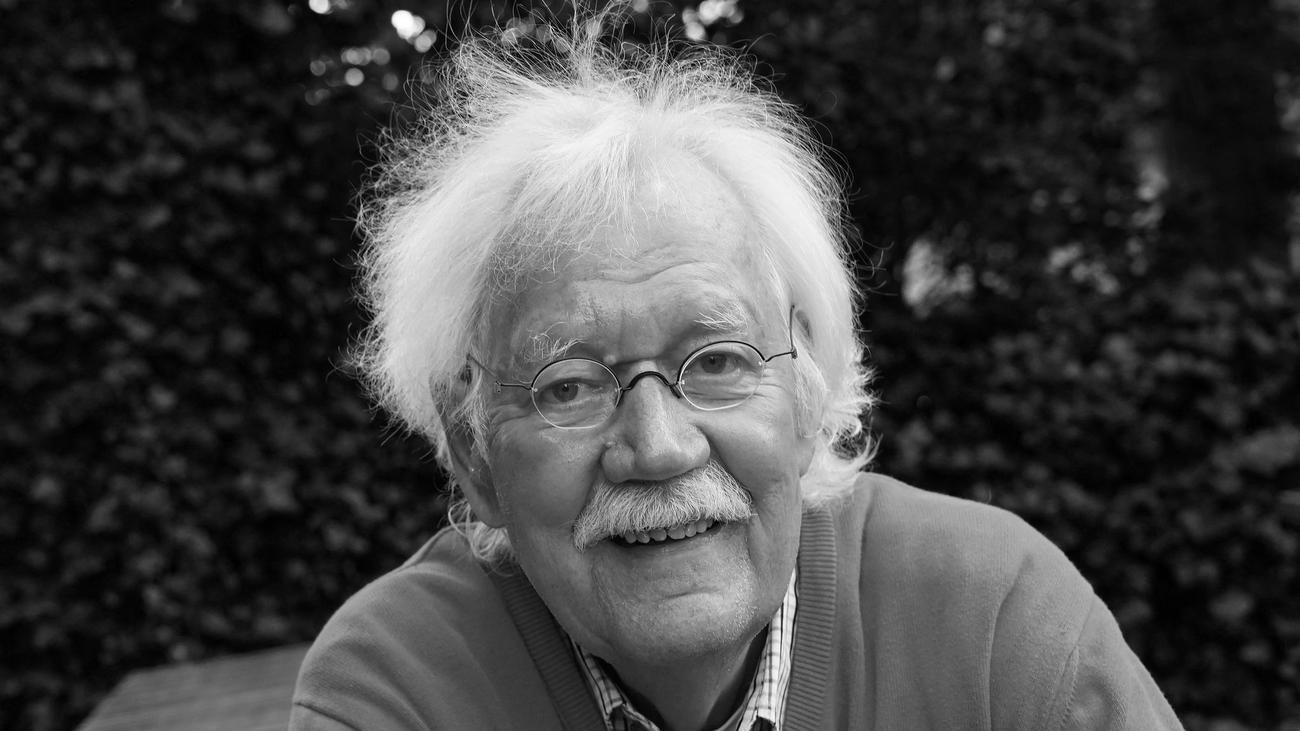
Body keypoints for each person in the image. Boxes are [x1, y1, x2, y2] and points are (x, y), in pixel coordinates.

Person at [290, 13, 1184, 731]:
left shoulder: (997, 620)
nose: (659, 447)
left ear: (808, 390)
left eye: (716, 361)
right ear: (473, 449)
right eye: (570, 385)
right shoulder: (398, 688)